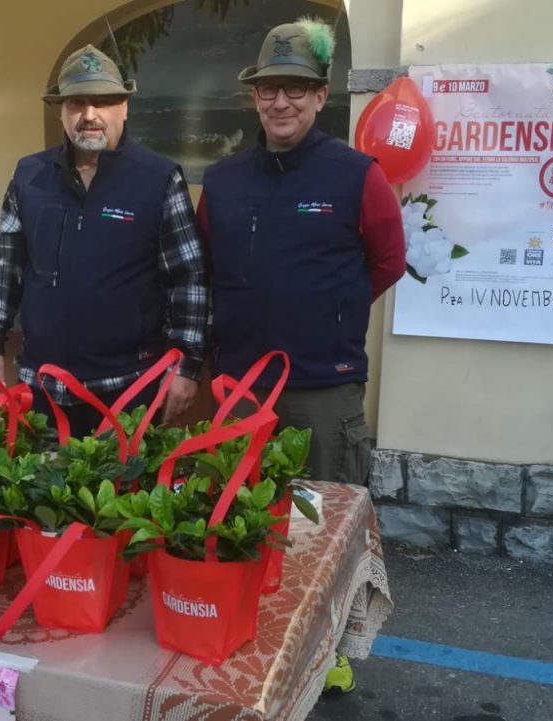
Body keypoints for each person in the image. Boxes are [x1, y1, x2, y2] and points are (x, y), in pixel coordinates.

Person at [196, 19, 406, 695]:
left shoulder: (357, 176)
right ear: (254, 98)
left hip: (322, 389)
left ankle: (330, 653)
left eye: (295, 88)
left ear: (319, 97)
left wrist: (328, 313)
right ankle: (254, 640)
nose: (280, 101)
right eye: (269, 89)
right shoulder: (222, 182)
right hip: (239, 390)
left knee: (322, 532)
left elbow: (388, 261)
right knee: (242, 523)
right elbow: (205, 268)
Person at [0, 45, 207, 438]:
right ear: (61, 111)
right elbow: (3, 266)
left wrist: (188, 366)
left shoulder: (160, 178)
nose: (90, 114)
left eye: (104, 101)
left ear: (125, 107)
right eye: (77, 102)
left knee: (127, 480)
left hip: (129, 388)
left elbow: (188, 279)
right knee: (41, 480)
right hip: (42, 386)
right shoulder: (29, 176)